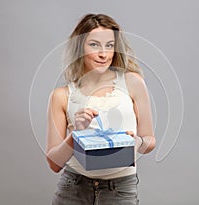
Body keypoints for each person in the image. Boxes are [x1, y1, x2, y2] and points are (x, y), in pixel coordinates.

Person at [46, 13, 156, 205]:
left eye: (109, 45)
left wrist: (136, 143)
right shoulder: (61, 95)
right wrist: (76, 135)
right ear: (79, 48)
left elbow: (150, 140)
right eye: (94, 45)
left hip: (120, 189)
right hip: (73, 188)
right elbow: (54, 164)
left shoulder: (133, 83)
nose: (103, 54)